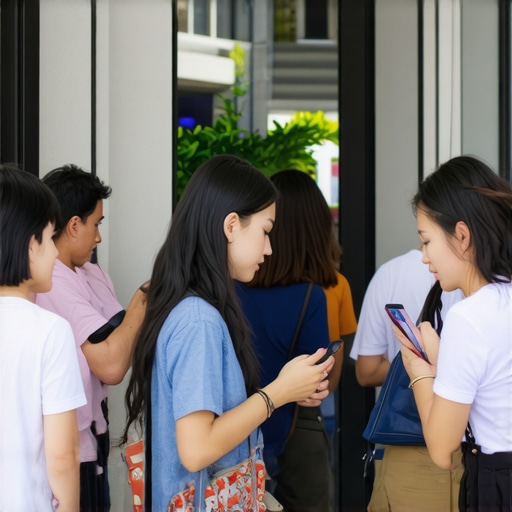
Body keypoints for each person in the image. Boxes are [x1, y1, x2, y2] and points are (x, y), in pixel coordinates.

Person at [123, 155, 334, 511]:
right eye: (266, 231)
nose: (269, 249)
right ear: (232, 225)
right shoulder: (199, 320)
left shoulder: (193, 309)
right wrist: (277, 394)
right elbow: (197, 449)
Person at [396, 155, 512, 510]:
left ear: (462, 236)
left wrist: (422, 370)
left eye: (427, 241)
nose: (423, 257)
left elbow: (443, 450)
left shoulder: (468, 317)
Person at [237, 169, 357, 512]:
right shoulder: (326, 289)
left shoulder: (228, 289)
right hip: (297, 432)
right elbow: (322, 384)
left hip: (235, 429)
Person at [35, 164, 147, 512]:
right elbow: (112, 364)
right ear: (73, 225)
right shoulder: (52, 280)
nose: (98, 237)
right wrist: (144, 301)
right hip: (70, 452)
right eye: (96, 224)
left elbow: (119, 343)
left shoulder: (92, 272)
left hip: (96, 441)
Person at [350, 247, 464, 512]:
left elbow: (366, 371)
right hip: (476, 451)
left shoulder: (390, 273)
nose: (427, 258)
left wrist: (417, 368)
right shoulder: (494, 287)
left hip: (406, 455)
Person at [0, 165, 86, 511]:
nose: (55, 252)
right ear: (29, 243)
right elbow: (63, 454)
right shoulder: (49, 331)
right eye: (51, 237)